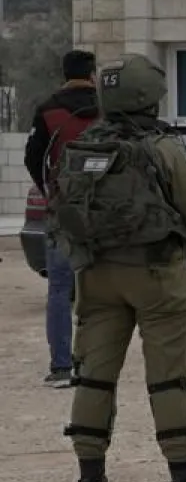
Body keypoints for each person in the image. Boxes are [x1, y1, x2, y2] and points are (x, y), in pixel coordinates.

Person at [49, 54, 186, 482]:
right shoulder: (163, 146)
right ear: (148, 96)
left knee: (94, 377)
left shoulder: (85, 143)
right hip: (156, 274)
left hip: (97, 274)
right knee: (166, 379)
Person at [24, 48, 98, 387]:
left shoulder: (48, 109)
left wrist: (50, 189)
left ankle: (61, 367)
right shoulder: (110, 109)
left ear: (64, 74)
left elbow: (33, 157)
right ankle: (98, 363)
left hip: (63, 210)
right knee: (102, 289)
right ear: (93, 74)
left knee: (59, 288)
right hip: (107, 213)